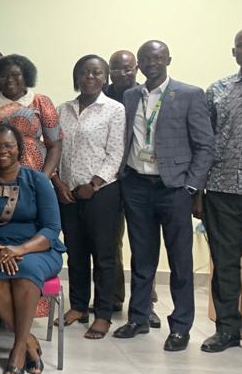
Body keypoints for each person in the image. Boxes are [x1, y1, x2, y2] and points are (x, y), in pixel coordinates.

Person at [113, 40, 214, 351]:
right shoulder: (131, 96)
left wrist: (191, 187)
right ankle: (139, 317)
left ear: (168, 59)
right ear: (139, 64)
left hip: (174, 189)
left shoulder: (190, 94)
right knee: (141, 257)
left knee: (180, 260)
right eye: (145, 58)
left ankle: (180, 327)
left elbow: (205, 145)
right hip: (137, 185)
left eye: (157, 58)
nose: (151, 63)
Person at [0, 124, 66, 374]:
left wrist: (19, 250)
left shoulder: (38, 180)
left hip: (37, 249)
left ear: (19, 149)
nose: (2, 150)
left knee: (26, 271)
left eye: (8, 145)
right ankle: (28, 341)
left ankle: (19, 349)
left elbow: (52, 228)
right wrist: (1, 249)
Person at [201, 26, 242, 362]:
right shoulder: (218, 90)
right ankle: (227, 329)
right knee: (225, 264)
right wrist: (198, 189)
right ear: (234, 52)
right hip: (222, 190)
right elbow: (204, 142)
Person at [53, 56, 126, 339]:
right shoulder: (63, 109)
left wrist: (94, 184)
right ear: (77, 77)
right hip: (67, 193)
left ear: (105, 77)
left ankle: (104, 313)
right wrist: (58, 182)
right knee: (76, 252)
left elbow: (116, 153)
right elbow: (54, 149)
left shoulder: (114, 109)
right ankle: (79, 306)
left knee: (104, 255)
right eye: (84, 72)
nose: (90, 77)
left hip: (102, 193)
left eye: (97, 72)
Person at [0, 54, 62, 176]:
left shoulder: (41, 102)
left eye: (15, 75)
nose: (9, 79)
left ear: (26, 77)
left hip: (34, 176)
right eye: (3, 76)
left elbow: (55, 146)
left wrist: (43, 179)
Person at [104, 49, 141, 316]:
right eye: (116, 69)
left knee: (142, 244)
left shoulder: (145, 94)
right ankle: (113, 297)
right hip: (109, 181)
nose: (122, 74)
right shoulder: (100, 95)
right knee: (110, 242)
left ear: (136, 69)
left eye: (127, 68)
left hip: (139, 179)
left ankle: (145, 303)